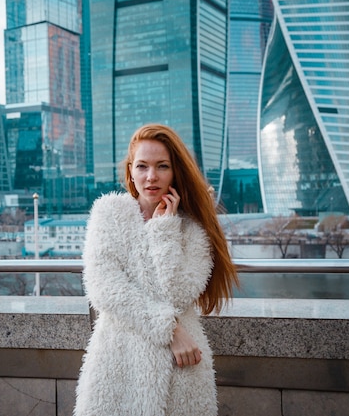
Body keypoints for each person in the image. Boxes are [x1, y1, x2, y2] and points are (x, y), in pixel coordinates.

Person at [74, 123, 239, 416]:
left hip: (180, 368)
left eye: (162, 166)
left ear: (175, 171)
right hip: (118, 364)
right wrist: (170, 329)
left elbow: (177, 293)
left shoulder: (193, 228)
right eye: (142, 166)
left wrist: (165, 230)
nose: (151, 177)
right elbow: (104, 288)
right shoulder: (109, 214)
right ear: (130, 172)